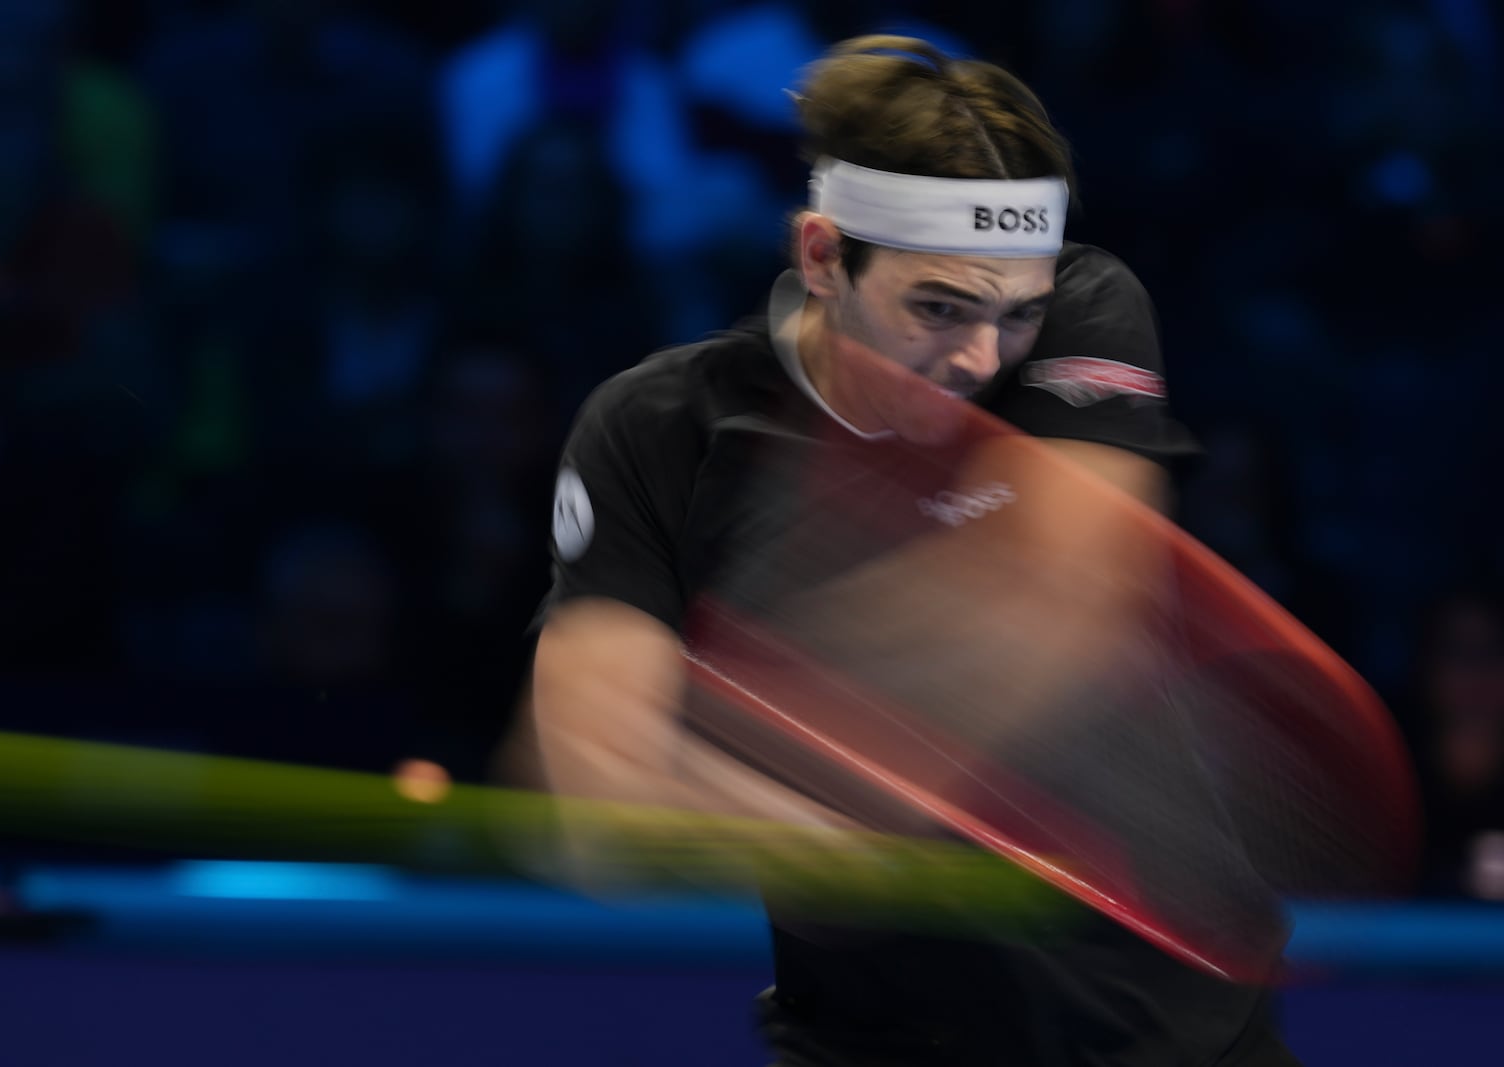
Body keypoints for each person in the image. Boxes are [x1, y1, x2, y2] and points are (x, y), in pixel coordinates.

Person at [521, 35, 1297, 1065]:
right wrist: (768, 823)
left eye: (1014, 314)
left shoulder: (1089, 308)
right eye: (937, 307)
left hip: (1170, 1040)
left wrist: (725, 763)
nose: (981, 356)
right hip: (864, 1043)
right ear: (821, 257)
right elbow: (601, 796)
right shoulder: (656, 427)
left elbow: (1056, 607)